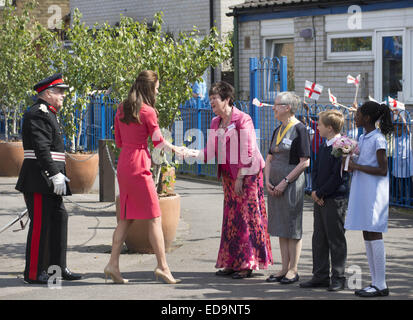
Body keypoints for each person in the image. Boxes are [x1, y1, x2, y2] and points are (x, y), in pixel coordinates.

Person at [185, 81, 273, 279]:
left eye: (214, 99)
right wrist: (188, 153)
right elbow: (209, 152)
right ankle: (231, 262)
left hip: (247, 174)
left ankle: (247, 262)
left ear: (226, 99)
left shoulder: (243, 119)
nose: (211, 103)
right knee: (231, 219)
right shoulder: (216, 122)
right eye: (210, 100)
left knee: (246, 217)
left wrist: (240, 177)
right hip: (228, 176)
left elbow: (247, 150)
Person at [104, 70, 184, 284]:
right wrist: (177, 149)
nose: (158, 92)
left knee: (126, 217)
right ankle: (163, 266)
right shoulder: (148, 111)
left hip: (124, 163)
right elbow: (158, 142)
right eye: (156, 88)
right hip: (139, 163)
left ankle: (113, 264)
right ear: (150, 88)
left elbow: (119, 142)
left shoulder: (122, 108)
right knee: (154, 216)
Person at [16, 73, 82, 284]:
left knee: (59, 220)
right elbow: (41, 149)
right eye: (60, 91)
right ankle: (34, 273)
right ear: (48, 93)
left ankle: (57, 268)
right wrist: (54, 174)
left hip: (50, 177)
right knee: (40, 226)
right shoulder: (38, 113)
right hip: (39, 178)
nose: (63, 95)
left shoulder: (49, 113)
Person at [345, 101, 394, 297]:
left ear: (366, 118)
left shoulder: (378, 139)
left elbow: (383, 170)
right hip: (363, 188)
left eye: (357, 114)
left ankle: (381, 284)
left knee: (374, 233)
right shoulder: (363, 137)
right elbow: (361, 162)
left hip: (374, 192)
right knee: (367, 233)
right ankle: (374, 282)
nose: (355, 117)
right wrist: (348, 158)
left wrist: (357, 167)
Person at [299, 109, 349, 291]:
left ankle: (339, 276)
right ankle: (320, 275)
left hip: (334, 198)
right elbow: (317, 169)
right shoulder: (323, 144)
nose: (317, 127)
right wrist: (314, 191)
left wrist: (322, 192)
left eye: (319, 124)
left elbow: (338, 175)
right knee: (319, 237)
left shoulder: (343, 145)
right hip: (320, 197)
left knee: (335, 238)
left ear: (329, 127)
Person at [265, 92, 311, 284]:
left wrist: (285, 181)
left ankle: (293, 269)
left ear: (288, 107)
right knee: (280, 225)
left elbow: (305, 162)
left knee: (292, 226)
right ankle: (283, 268)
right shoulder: (278, 129)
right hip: (274, 183)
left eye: (276, 104)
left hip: (290, 184)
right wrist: (267, 180)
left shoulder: (300, 129)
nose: (273, 108)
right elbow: (269, 157)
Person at [389, 110, 413, 205]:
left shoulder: (407, 135)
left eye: (398, 129)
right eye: (395, 129)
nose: (396, 131)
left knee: (407, 182)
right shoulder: (394, 136)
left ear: (402, 129)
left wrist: (399, 114)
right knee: (399, 182)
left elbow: (406, 125)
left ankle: (410, 198)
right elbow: (390, 125)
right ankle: (401, 198)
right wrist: (393, 114)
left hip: (406, 161)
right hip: (397, 162)